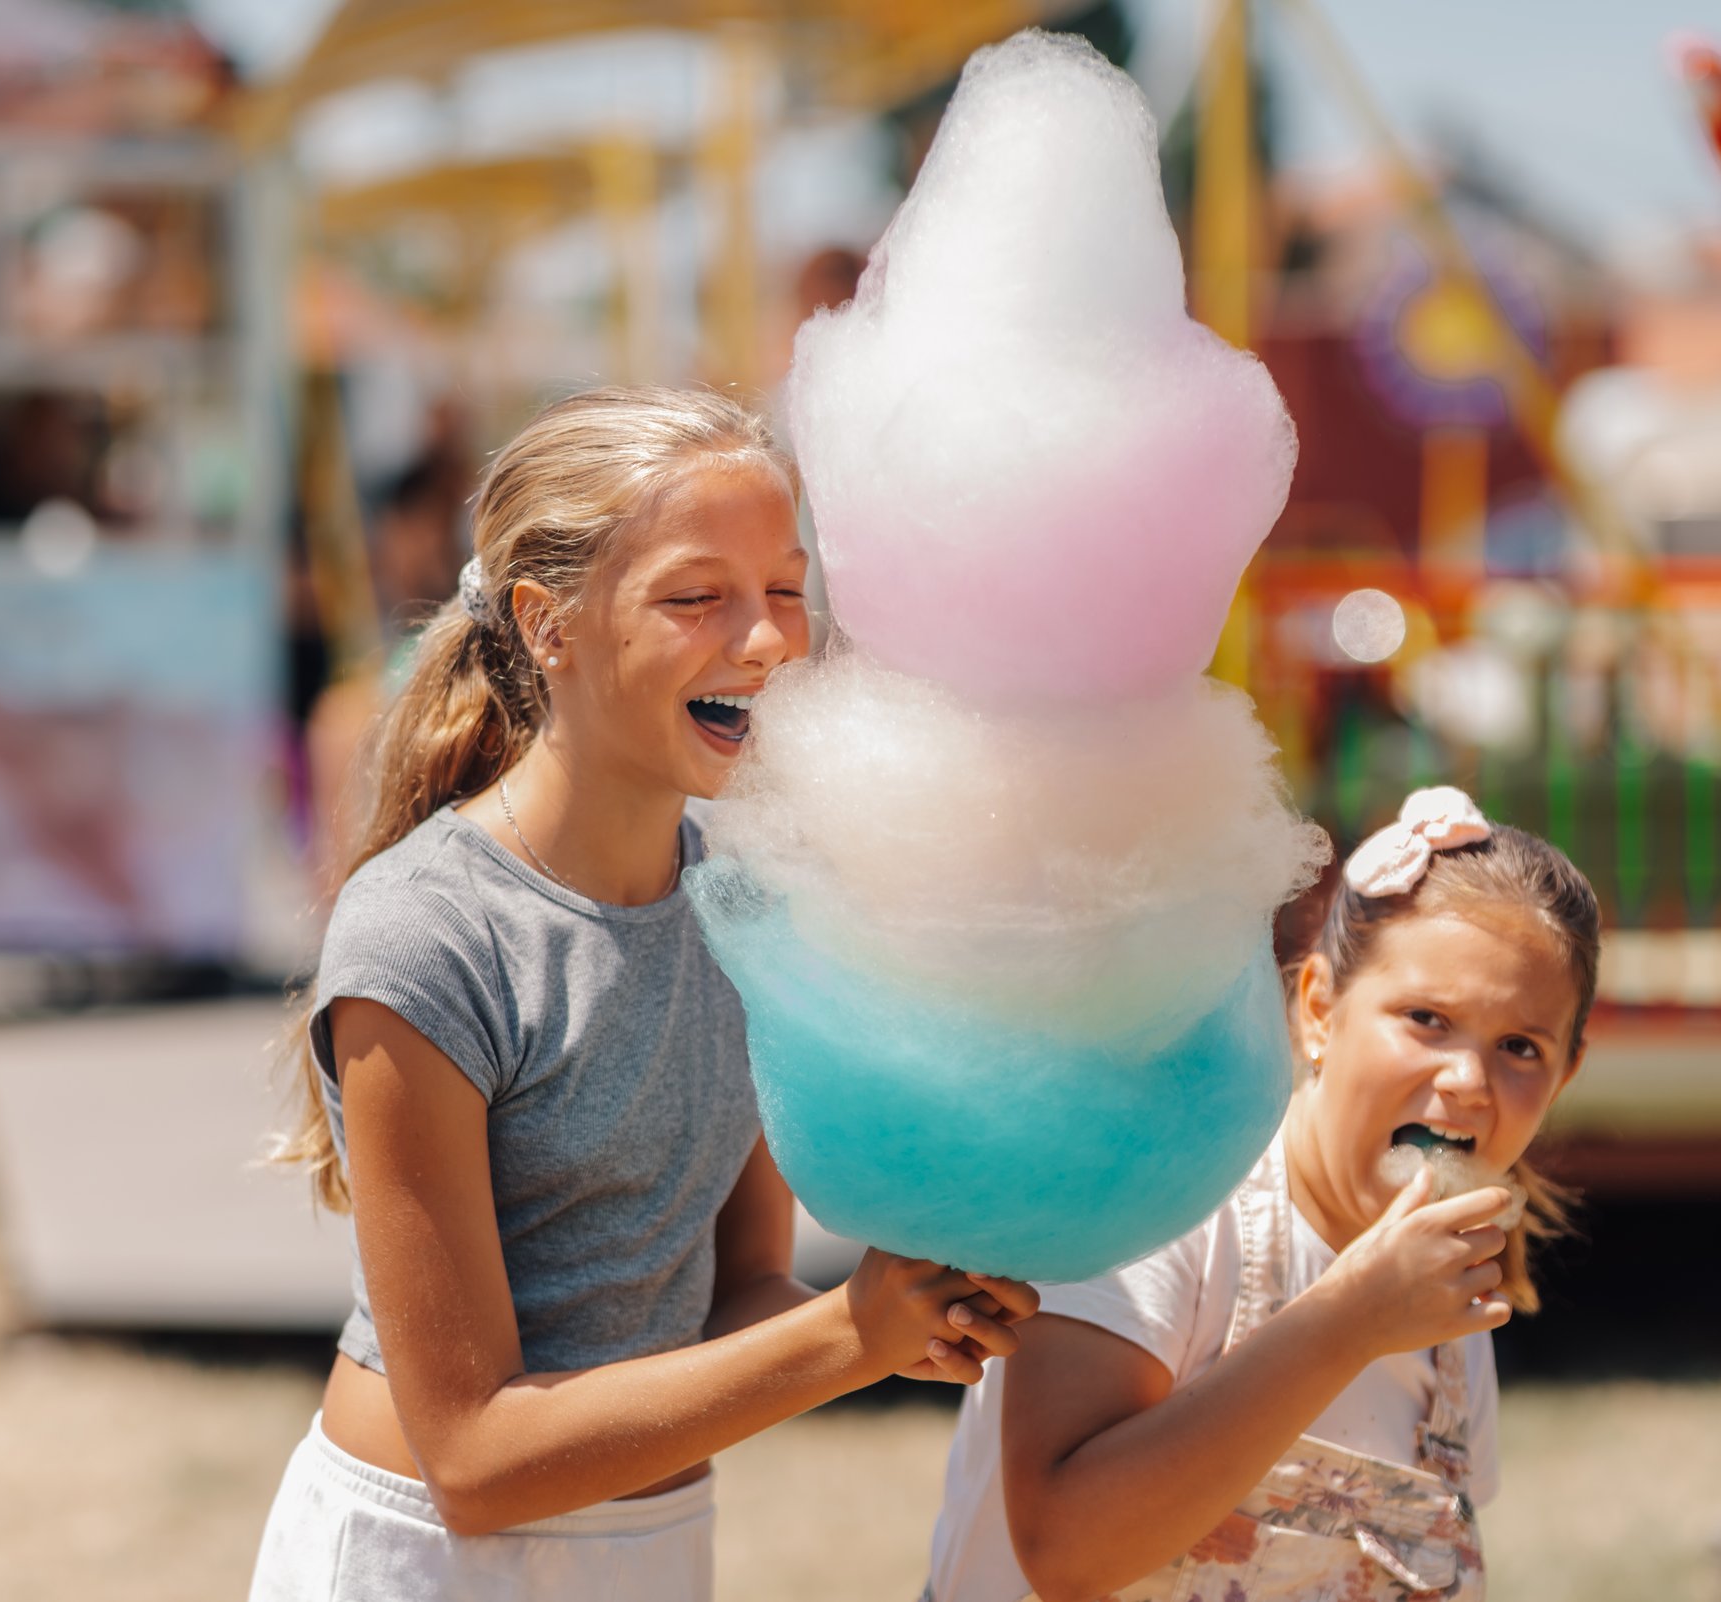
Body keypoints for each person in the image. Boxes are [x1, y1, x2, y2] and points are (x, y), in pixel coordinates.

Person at [251, 385, 1038, 1601]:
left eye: (786, 588)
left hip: (653, 1548)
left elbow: (738, 1295)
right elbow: (472, 1457)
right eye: (697, 597)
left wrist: (911, 1317)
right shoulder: (427, 935)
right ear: (547, 625)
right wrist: (846, 1336)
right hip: (425, 1556)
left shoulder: (752, 905)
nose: (769, 640)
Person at [928, 787, 1600, 1602]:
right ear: (1319, 1010)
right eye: (1426, 1018)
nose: (1467, 1081)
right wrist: (1349, 1320)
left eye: (1520, 1047)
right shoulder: (1164, 1203)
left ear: (1566, 1073)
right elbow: (1066, 1551)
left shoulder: (1453, 1310)